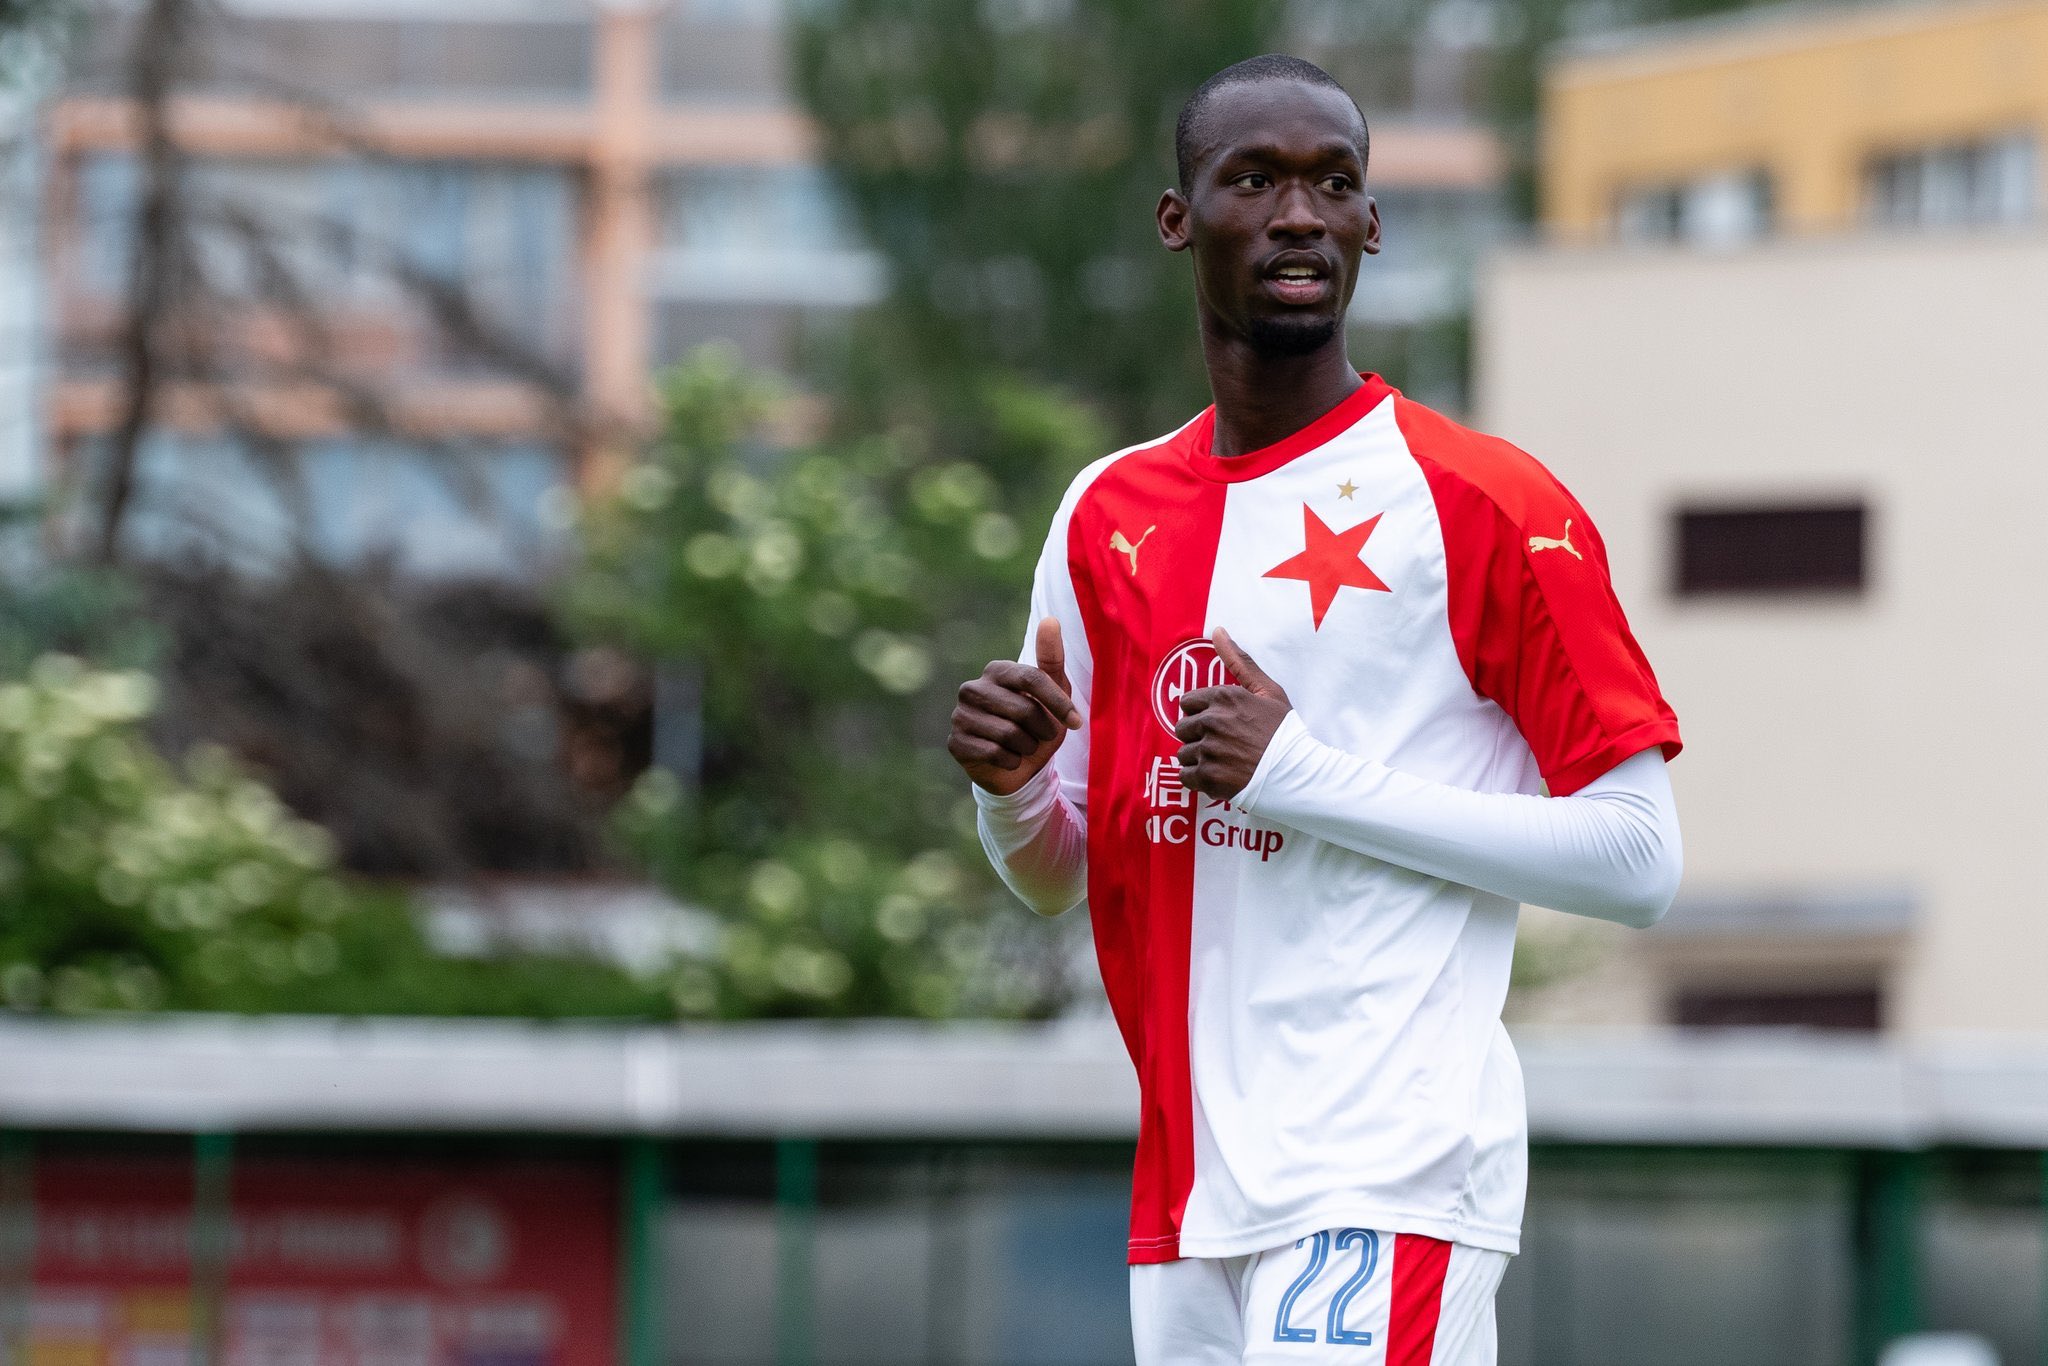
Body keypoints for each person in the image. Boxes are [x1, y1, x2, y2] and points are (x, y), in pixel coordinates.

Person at [946, 53, 1682, 1366]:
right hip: (1185, 1202)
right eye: (1255, 180)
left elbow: (1640, 859)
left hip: (1384, 1171)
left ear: (1372, 226)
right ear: (1179, 218)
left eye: (1333, 184)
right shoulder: (1103, 515)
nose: (1299, 214)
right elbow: (1066, 878)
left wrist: (1298, 771)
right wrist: (1012, 793)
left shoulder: (1485, 503)